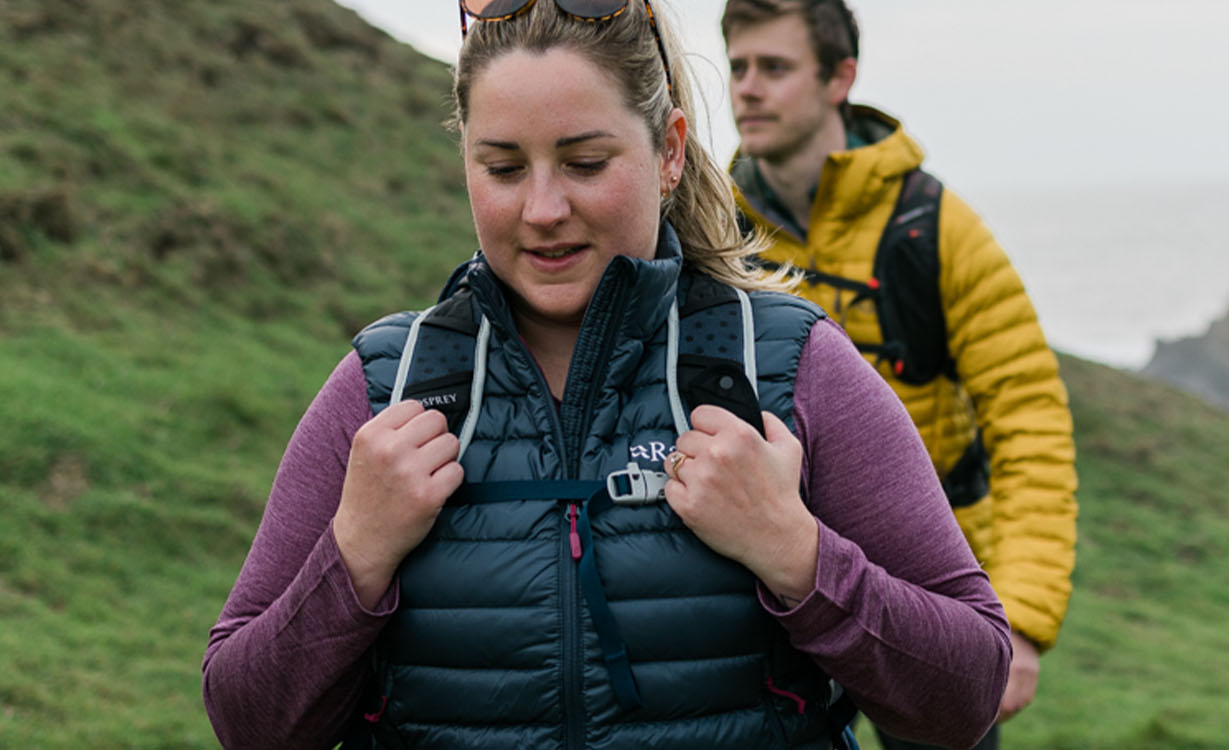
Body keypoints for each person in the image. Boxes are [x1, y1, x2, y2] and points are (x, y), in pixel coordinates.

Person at [200, 1, 1015, 748]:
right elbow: (247, 721)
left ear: (668, 151)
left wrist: (797, 554)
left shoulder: (788, 364)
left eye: (586, 162)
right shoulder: (387, 384)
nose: (543, 209)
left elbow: (967, 691)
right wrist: (355, 555)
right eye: (504, 168)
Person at [719, 2, 1081, 745]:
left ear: (840, 78)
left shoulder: (937, 230)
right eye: (738, 67)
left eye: (775, 68)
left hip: (929, 598)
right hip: (768, 590)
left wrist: (1024, 620)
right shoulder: (714, 229)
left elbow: (1030, 419)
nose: (748, 89)